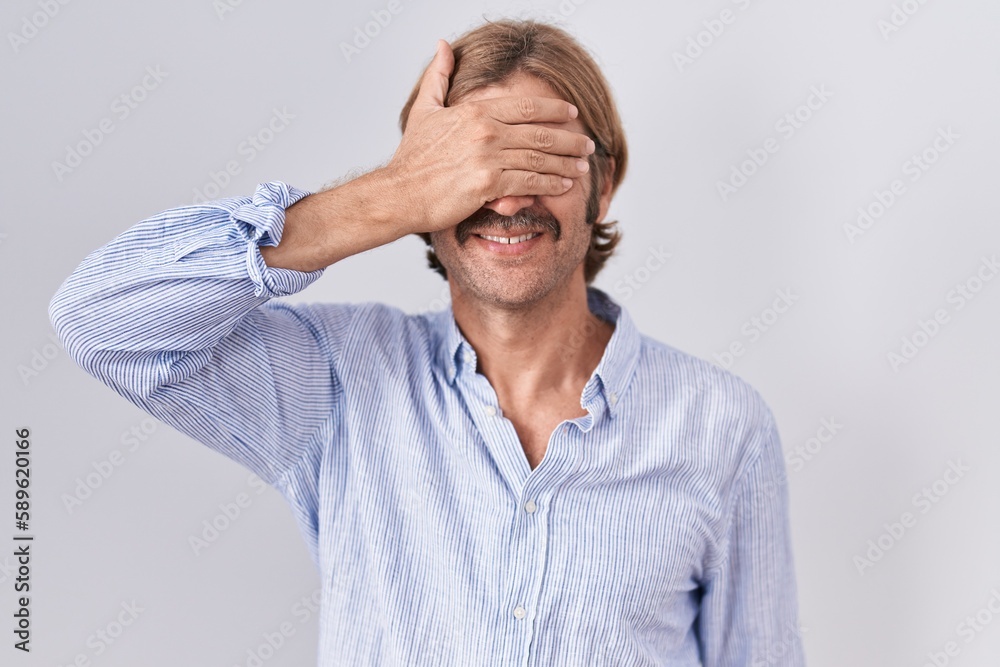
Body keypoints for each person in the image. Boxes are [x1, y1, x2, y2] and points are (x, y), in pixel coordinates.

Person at [49, 19, 806, 666]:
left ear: (603, 186)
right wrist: (390, 193)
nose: (508, 198)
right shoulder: (339, 381)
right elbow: (98, 319)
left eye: (539, 158)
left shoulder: (721, 427)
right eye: (476, 168)